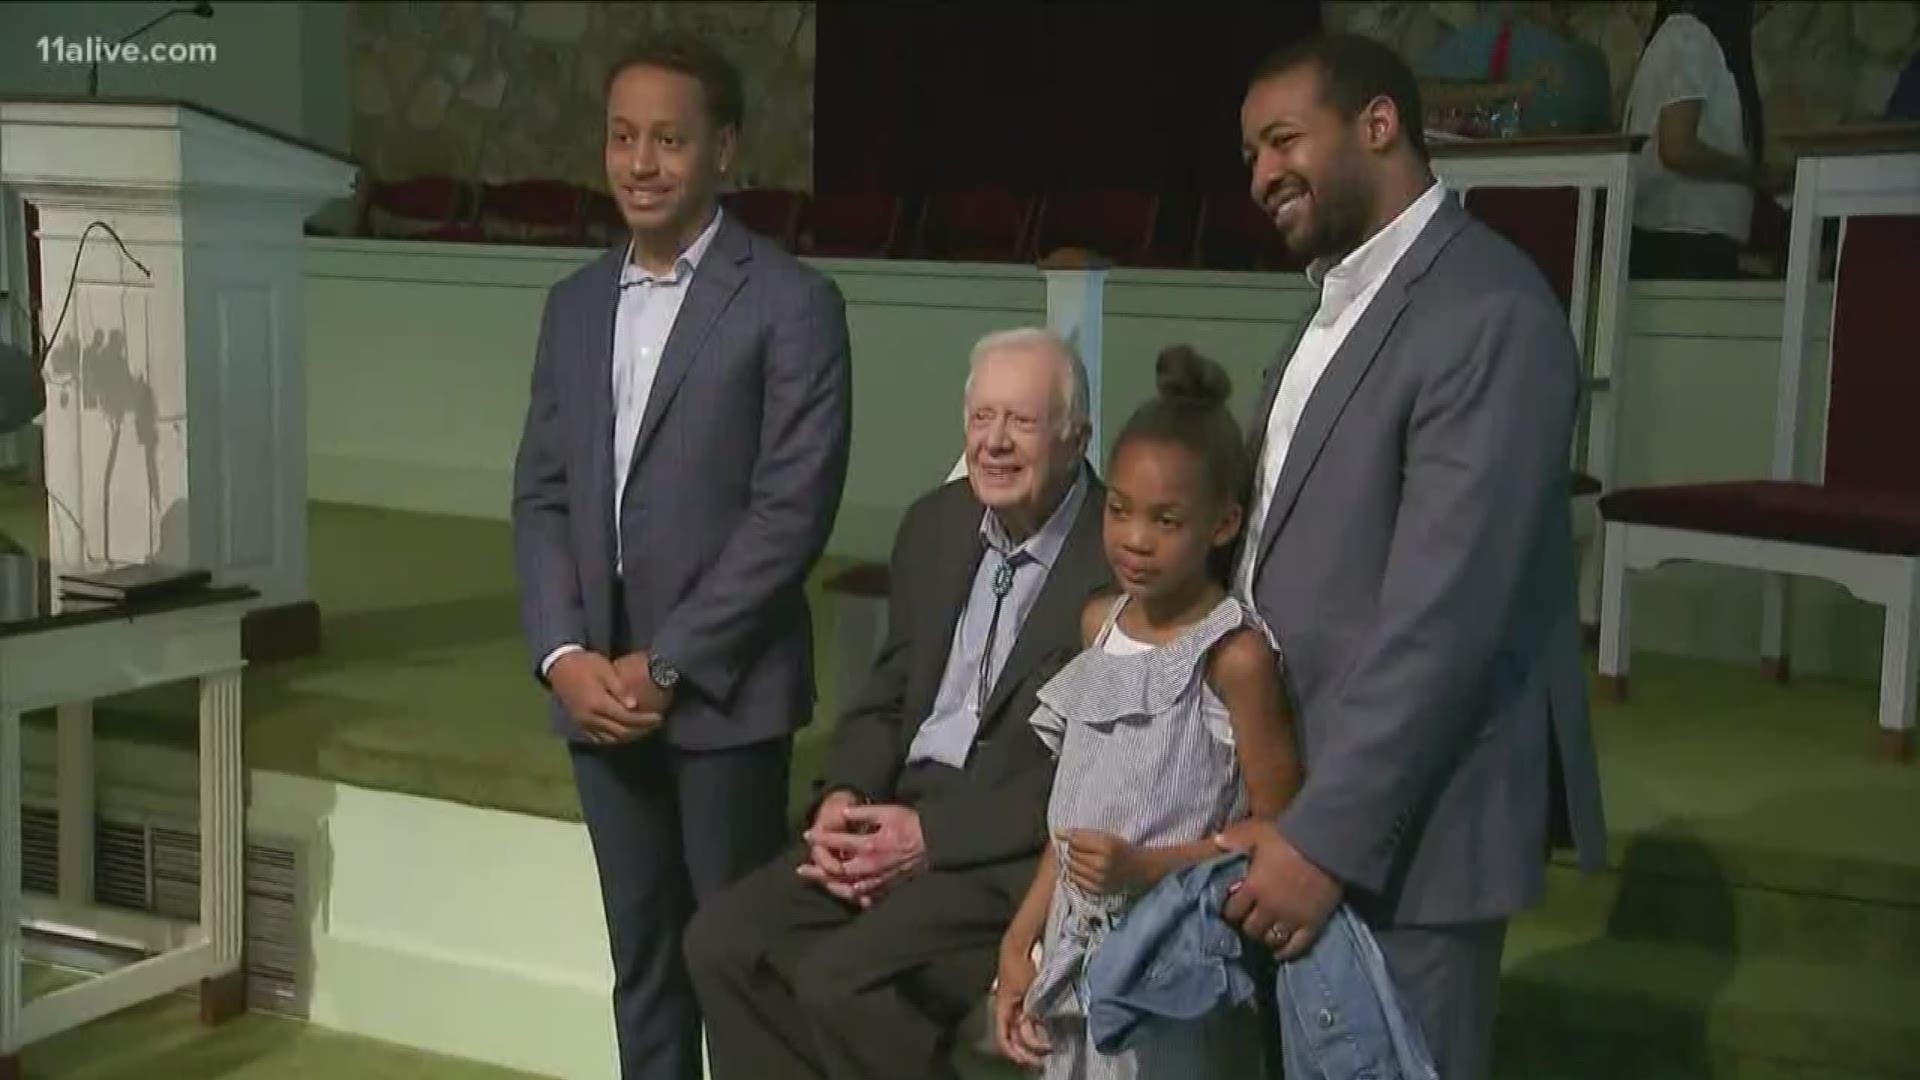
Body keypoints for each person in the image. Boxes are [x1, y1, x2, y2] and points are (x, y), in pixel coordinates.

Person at [1226, 34, 1606, 1080]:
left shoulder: (1491, 310)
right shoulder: (1331, 303)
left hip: (1406, 840)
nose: (1262, 175)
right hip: (1293, 805)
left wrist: (1326, 841)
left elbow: (1449, 620)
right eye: (1251, 154)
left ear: (1381, 123)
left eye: (1284, 140)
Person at [509, 33, 852, 1080]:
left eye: (668, 139)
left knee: (736, 963)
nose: (640, 163)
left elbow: (789, 516)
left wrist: (666, 665)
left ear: (726, 150)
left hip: (724, 697)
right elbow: (542, 494)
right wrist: (566, 655)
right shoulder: (572, 304)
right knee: (642, 960)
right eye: (622, 138)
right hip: (595, 698)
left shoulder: (792, 302)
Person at [683, 327, 1112, 1080]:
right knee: (721, 941)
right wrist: (845, 798)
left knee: (838, 981)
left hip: (1004, 855)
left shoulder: (1113, 563)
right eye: (982, 420)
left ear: (1076, 438)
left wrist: (928, 838)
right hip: (894, 815)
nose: (995, 444)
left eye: (1021, 422)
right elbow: (886, 696)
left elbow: (1086, 775)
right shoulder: (937, 525)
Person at [991, 345, 1301, 1079]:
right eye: (1120, 510)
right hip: (1071, 958)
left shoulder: (1234, 656)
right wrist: (1020, 939)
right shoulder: (1098, 625)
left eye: (1165, 521)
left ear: (1222, 525)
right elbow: (1071, 826)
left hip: (1174, 967)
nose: (1134, 539)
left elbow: (1280, 832)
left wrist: (1148, 867)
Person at [1623, 0, 1780, 279]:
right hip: (1681, 240)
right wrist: (1756, 175)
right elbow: (1677, 148)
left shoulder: (1699, 41)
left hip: (1693, 238)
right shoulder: (1689, 35)